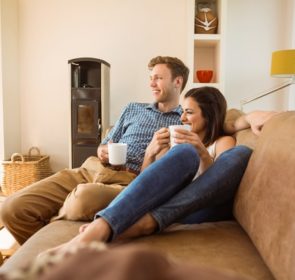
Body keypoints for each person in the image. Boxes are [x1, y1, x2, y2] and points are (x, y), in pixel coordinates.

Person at [0, 56, 190, 245]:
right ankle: (46, 250)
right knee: (11, 208)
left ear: (177, 81)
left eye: (158, 78)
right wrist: (102, 151)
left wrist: (151, 152)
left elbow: (160, 181)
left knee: (82, 198)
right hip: (91, 169)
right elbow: (106, 143)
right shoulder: (133, 108)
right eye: (151, 78)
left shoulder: (184, 123)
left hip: (127, 182)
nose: (152, 84)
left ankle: (59, 251)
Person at [43, 86, 253, 254]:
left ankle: (132, 226)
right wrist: (151, 153)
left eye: (189, 112)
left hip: (198, 208)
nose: (182, 119)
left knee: (240, 153)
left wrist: (202, 151)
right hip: (171, 207)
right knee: (185, 154)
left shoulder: (223, 141)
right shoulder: (177, 145)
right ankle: (111, 226)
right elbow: (144, 185)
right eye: (182, 112)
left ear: (209, 115)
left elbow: (216, 184)